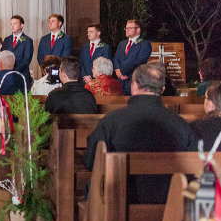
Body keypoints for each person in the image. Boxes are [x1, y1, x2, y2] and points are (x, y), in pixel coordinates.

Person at [84, 64, 197, 200]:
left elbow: (90, 161)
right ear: (162, 89)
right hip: (168, 200)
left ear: (135, 86)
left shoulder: (111, 120)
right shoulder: (181, 124)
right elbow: (193, 166)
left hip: (120, 198)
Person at [112, 19, 152, 96]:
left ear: (138, 30)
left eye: (130, 28)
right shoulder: (122, 44)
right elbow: (116, 58)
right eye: (126, 28)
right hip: (120, 82)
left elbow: (139, 61)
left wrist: (122, 71)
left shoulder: (144, 44)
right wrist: (117, 71)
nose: (127, 30)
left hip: (134, 81)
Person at [2, 15, 33, 89]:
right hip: (7, 76)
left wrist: (14, 71)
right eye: (11, 24)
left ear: (21, 25)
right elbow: (3, 56)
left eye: (15, 24)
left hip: (21, 76)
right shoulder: (7, 40)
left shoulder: (28, 40)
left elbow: (26, 60)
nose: (12, 26)